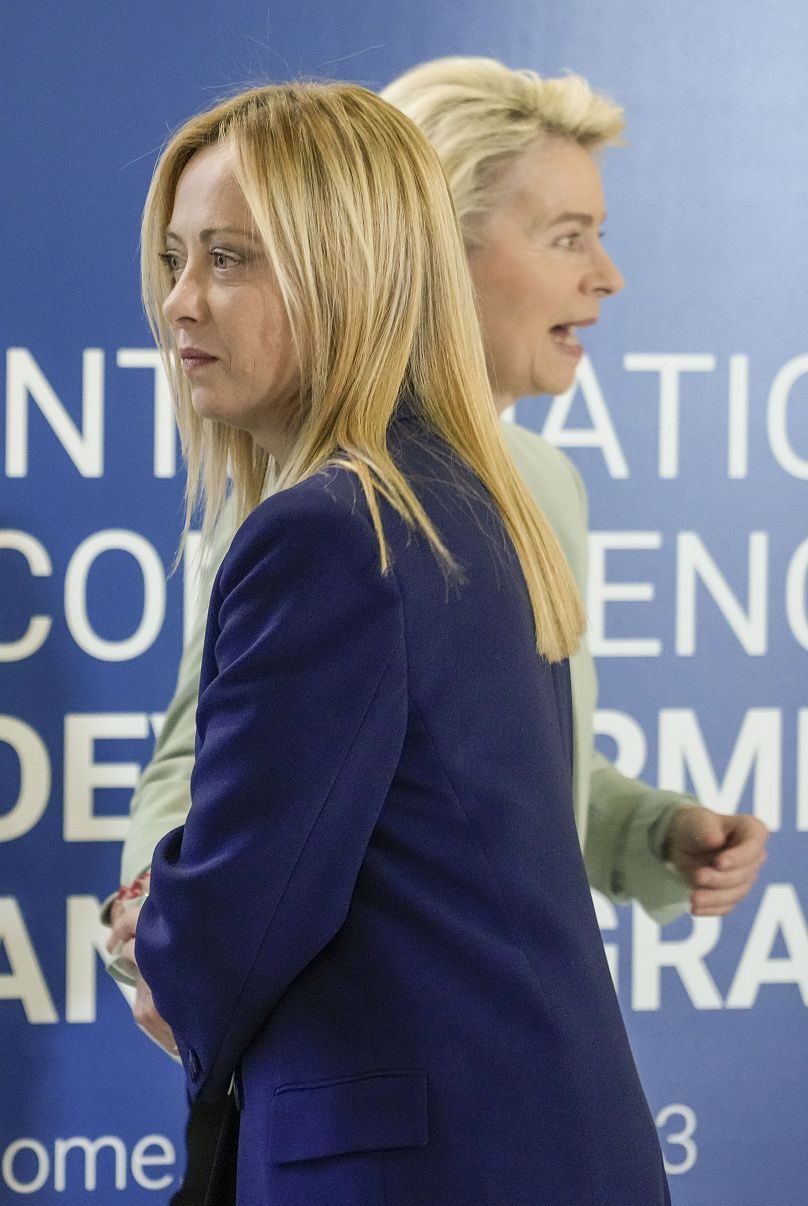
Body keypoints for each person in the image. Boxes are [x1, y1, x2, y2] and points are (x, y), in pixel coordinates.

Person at [106, 57, 767, 1202]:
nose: (178, 302)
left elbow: (245, 919)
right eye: (175, 260)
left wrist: (152, 933)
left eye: (225, 258)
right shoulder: (456, 496)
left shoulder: (333, 525)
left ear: (350, 269)